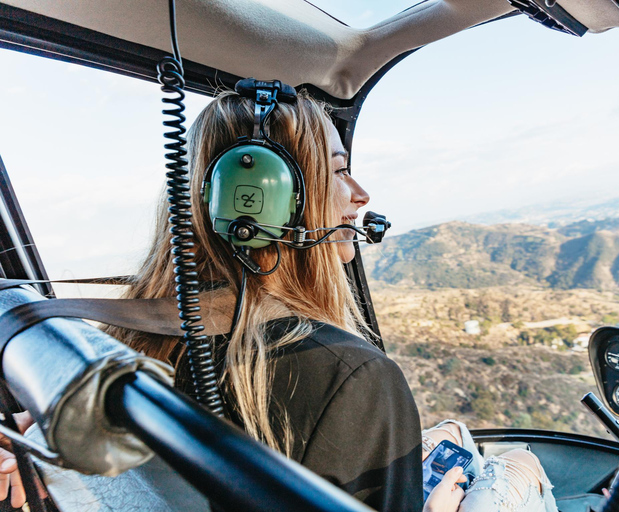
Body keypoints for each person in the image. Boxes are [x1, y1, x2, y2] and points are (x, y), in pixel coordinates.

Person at [0, 89, 556, 512]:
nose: (361, 195)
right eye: (338, 171)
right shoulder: (354, 378)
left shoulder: (101, 365)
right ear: (266, 201)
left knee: (450, 437)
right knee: (521, 462)